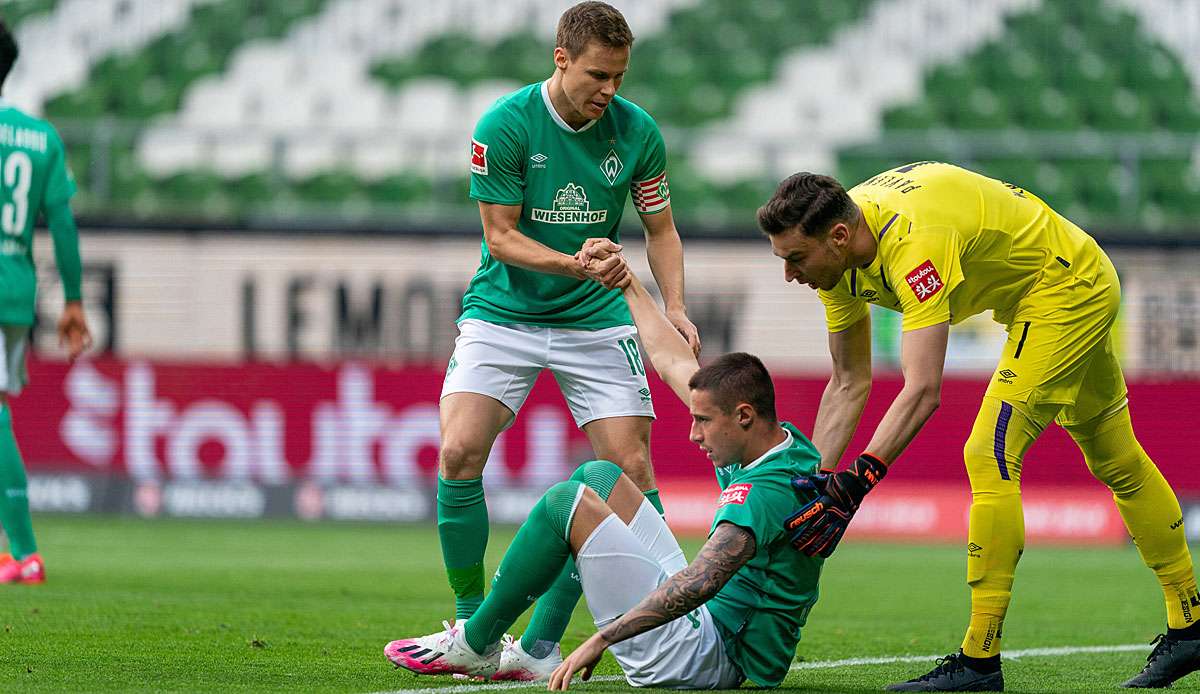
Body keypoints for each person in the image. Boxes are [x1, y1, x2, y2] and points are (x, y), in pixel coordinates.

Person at [758, 162, 1200, 690]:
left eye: (795, 260)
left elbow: (922, 390)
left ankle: (979, 660)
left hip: (1065, 289)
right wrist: (816, 479)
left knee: (989, 452)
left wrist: (854, 486)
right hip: (1060, 283)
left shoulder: (915, 241)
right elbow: (850, 380)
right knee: (1116, 458)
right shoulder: (836, 255)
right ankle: (1191, 625)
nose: (790, 275)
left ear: (837, 236)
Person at [386, 246, 824, 690]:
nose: (694, 435)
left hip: (707, 656)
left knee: (563, 503)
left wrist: (601, 639)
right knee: (599, 477)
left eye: (703, 422)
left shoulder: (764, 490)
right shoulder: (784, 446)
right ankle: (538, 650)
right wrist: (627, 282)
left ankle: (476, 643)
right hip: (709, 624)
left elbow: (702, 581)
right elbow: (671, 360)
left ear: (744, 416)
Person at [422, 0, 700, 680]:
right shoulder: (506, 124)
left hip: (595, 319)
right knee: (458, 450)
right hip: (505, 310)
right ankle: (471, 624)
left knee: (631, 472)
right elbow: (501, 237)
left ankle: (547, 644)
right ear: (561, 59)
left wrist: (676, 305)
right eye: (598, 76)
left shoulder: (637, 133)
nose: (609, 91)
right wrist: (576, 260)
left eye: (620, 78)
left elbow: (660, 230)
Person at [0, 19, 92, 585]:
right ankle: (20, 551)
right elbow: (61, 223)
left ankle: (26, 552)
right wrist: (75, 299)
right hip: (14, 287)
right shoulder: (41, 138)